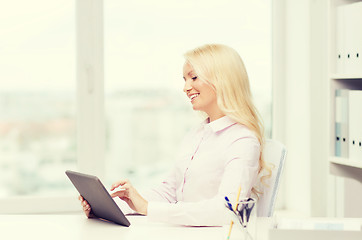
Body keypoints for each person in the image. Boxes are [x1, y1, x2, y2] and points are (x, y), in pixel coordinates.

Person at [79, 43, 271, 226]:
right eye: (185, 79)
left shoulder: (243, 140)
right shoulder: (198, 133)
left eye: (194, 77)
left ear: (223, 79)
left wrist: (148, 208)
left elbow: (225, 210)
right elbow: (170, 191)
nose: (186, 87)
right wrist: (115, 206)